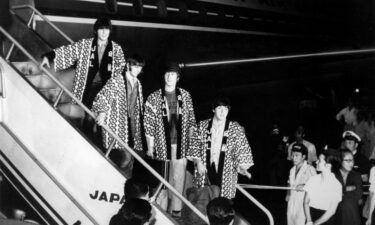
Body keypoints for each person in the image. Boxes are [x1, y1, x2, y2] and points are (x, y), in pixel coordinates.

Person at [41, 17, 125, 142]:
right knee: (89, 117)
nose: (104, 32)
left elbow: (119, 71)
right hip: (88, 87)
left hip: (106, 90)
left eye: (107, 29)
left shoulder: (116, 49)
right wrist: (49, 56)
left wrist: (112, 90)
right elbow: (68, 51)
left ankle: (98, 143)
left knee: (103, 120)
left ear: (110, 31)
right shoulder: (85, 45)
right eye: (101, 29)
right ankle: (88, 142)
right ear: (96, 31)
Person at [144, 62, 196, 216]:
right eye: (167, 74)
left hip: (180, 145)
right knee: (162, 181)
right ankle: (160, 211)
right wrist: (150, 147)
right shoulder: (154, 97)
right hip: (161, 145)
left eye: (173, 74)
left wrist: (192, 146)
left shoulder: (185, 96)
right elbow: (148, 124)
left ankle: (176, 212)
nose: (169, 77)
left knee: (178, 181)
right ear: (163, 76)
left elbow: (192, 121)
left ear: (177, 77)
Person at [187, 96, 253, 199]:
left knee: (223, 201)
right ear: (213, 109)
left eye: (225, 109)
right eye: (219, 109)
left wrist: (242, 167)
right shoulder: (202, 126)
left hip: (226, 170)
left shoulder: (235, 129)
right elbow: (194, 146)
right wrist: (198, 162)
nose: (223, 112)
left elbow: (241, 149)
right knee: (202, 198)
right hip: (204, 168)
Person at [93, 55, 145, 177]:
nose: (138, 70)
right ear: (128, 65)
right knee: (124, 160)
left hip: (131, 130)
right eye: (135, 66)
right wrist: (102, 113)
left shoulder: (138, 84)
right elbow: (102, 97)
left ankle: (122, 188)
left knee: (130, 162)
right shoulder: (116, 80)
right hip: (116, 128)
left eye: (140, 67)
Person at [303, 149, 342, 225]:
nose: (316, 162)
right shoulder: (313, 179)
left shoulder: (336, 185)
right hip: (310, 216)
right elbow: (306, 202)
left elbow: (331, 211)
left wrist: (315, 224)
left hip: (326, 220)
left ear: (328, 165)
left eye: (319, 161)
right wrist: (309, 221)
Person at [286, 143, 316, 225]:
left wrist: (305, 186)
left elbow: (317, 187)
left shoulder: (310, 169)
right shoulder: (292, 170)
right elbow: (290, 184)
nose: (293, 158)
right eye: (292, 155)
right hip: (291, 204)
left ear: (303, 157)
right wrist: (288, 195)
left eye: (296, 155)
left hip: (303, 207)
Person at [334, 149, 362, 225]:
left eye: (352, 160)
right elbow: (331, 194)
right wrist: (348, 188)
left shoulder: (356, 175)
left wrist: (341, 191)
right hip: (336, 214)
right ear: (340, 161)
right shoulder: (333, 175)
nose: (351, 163)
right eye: (347, 160)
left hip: (352, 215)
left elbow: (358, 194)